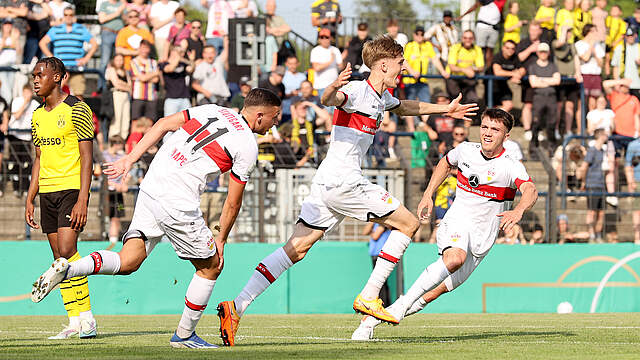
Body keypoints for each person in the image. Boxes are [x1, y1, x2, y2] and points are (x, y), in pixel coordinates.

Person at [216, 35, 478, 347]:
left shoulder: (382, 97)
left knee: (296, 249)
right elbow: (330, 99)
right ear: (383, 65)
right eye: (400, 62)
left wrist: (443, 109)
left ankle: (238, 307)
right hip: (344, 182)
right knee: (408, 224)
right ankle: (370, 295)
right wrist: (329, 88)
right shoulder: (357, 90)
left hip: (327, 182)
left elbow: (405, 107)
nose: (405, 67)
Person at [30, 88, 283, 348]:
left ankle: (69, 269)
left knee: (129, 260)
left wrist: (129, 159)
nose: (276, 123)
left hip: (152, 185)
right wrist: (221, 238)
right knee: (211, 265)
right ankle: (184, 335)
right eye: (275, 117)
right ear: (260, 115)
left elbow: (162, 124)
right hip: (177, 198)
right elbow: (233, 201)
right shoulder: (248, 145)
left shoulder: (212, 110)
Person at [351, 108, 537, 341]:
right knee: (454, 258)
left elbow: (530, 190)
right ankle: (401, 306)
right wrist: (428, 194)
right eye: (485, 127)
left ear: (506, 136)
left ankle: (371, 321)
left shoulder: (511, 165)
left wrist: (519, 209)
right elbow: (445, 164)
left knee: (433, 293)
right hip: (457, 221)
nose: (488, 133)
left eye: (495, 129)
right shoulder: (466, 150)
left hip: (481, 240)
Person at [26, 57, 97, 339]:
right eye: (34, 75)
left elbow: (87, 158)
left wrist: (83, 199)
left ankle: (88, 317)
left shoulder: (77, 108)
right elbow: (38, 158)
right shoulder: (36, 115)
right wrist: (30, 197)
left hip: (70, 189)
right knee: (59, 259)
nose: (35, 79)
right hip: (47, 191)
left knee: (67, 252)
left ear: (57, 78)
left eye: (40, 74)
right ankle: (75, 321)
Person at [39, 7, 98, 98]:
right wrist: (52, 58)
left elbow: (94, 44)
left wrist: (86, 58)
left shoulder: (81, 29)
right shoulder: (56, 29)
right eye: (66, 15)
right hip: (60, 68)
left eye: (71, 15)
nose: (68, 17)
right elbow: (42, 43)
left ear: (74, 16)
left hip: (76, 67)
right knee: (54, 94)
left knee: (79, 96)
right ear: (63, 16)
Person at [403, 25, 449, 132]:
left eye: (421, 34)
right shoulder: (409, 45)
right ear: (414, 35)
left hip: (422, 81)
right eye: (417, 34)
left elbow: (434, 59)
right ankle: (411, 132)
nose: (419, 36)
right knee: (409, 105)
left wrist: (443, 71)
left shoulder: (427, 45)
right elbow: (404, 60)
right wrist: (412, 72)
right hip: (410, 81)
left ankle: (427, 129)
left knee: (425, 105)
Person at [517, 21, 549, 142]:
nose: (534, 32)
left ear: (540, 31)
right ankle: (527, 129)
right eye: (532, 29)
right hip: (527, 79)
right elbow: (519, 58)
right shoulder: (523, 43)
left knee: (541, 106)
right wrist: (531, 49)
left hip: (542, 78)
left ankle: (539, 129)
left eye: (536, 30)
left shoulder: (544, 44)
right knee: (528, 104)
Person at [528, 42, 561, 150]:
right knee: (536, 122)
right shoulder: (533, 66)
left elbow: (557, 81)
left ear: (548, 53)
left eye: (545, 52)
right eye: (541, 51)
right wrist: (549, 80)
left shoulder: (553, 66)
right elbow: (533, 83)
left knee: (551, 123)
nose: (543, 54)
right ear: (537, 53)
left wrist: (541, 79)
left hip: (551, 97)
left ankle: (552, 146)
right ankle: (533, 147)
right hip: (539, 97)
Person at [577, 128, 608, 242]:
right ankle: (592, 235)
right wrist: (584, 181)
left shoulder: (602, 151)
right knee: (592, 211)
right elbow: (584, 166)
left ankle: (598, 234)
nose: (607, 136)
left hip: (601, 185)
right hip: (592, 184)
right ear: (600, 136)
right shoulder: (592, 151)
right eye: (605, 134)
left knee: (601, 212)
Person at [7, 84, 37, 196]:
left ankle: (25, 188)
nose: (27, 95)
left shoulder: (35, 104)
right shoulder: (17, 101)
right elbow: (17, 116)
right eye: (25, 92)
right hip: (15, 135)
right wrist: (25, 102)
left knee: (26, 163)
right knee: (14, 162)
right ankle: (16, 188)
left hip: (26, 137)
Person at [553, 24, 583, 137]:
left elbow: (576, 59)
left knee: (570, 106)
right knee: (559, 106)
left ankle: (568, 130)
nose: (568, 34)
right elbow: (560, 43)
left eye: (570, 32)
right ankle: (556, 129)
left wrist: (578, 72)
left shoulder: (572, 46)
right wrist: (564, 28)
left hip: (571, 79)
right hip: (560, 79)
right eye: (566, 32)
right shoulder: (555, 43)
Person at [457, 0, 507, 66]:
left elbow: (500, 12)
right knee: (480, 49)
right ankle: (479, 67)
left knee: (490, 50)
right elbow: (475, 6)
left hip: (494, 27)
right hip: (482, 26)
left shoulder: (501, 2)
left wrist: (503, 21)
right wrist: (462, 16)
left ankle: (488, 71)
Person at [101, 135, 130, 244]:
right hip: (107, 193)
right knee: (106, 216)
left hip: (119, 194)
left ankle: (113, 240)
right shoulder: (103, 156)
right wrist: (113, 184)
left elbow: (127, 173)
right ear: (116, 144)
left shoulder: (121, 157)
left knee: (118, 215)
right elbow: (101, 176)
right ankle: (106, 238)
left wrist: (123, 184)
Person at [446, 30, 484, 109]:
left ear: (473, 39)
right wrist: (465, 70)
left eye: (470, 38)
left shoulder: (477, 49)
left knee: (472, 101)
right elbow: (452, 67)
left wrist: (472, 69)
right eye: (465, 38)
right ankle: (455, 120)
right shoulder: (455, 47)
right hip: (454, 78)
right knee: (455, 100)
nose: (467, 40)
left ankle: (468, 121)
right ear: (462, 38)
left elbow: (481, 67)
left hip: (468, 79)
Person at [98, 0, 126, 89]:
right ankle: (101, 87)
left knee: (118, 61)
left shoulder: (121, 4)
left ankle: (116, 84)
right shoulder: (105, 4)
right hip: (108, 32)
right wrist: (118, 12)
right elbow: (102, 19)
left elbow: (126, 20)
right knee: (105, 61)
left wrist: (123, 13)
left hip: (120, 34)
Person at [575, 25, 605, 112]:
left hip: (595, 75)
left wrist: (595, 52)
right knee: (582, 102)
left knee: (593, 103)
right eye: (594, 31)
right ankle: (581, 125)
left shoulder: (598, 46)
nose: (596, 34)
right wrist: (591, 46)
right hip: (584, 75)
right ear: (588, 32)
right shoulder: (579, 44)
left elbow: (600, 63)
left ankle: (591, 123)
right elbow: (585, 58)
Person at [491, 40, 525, 113]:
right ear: (503, 48)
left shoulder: (515, 57)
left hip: (503, 84)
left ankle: (494, 117)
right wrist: (513, 74)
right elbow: (497, 72)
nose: (510, 50)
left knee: (509, 105)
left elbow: (522, 69)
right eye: (507, 48)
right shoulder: (498, 56)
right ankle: (492, 118)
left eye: (512, 48)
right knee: (491, 107)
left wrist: (518, 75)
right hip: (491, 84)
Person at [160, 45, 195, 116]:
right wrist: (178, 57)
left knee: (188, 124)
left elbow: (191, 69)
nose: (181, 54)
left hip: (184, 98)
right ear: (172, 52)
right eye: (178, 51)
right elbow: (170, 69)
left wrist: (191, 60)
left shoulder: (182, 64)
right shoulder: (163, 64)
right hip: (171, 99)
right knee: (169, 125)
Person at [130, 40, 160, 121]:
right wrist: (154, 73)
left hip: (151, 96)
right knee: (135, 122)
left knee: (150, 122)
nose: (144, 50)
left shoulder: (153, 62)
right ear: (139, 48)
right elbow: (144, 78)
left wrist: (144, 77)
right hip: (138, 96)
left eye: (146, 48)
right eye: (143, 48)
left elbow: (156, 80)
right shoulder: (134, 62)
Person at [362, 222, 392, 305]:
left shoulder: (383, 224)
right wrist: (371, 223)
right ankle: (383, 304)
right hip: (375, 254)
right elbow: (364, 232)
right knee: (379, 281)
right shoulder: (375, 223)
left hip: (381, 254)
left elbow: (375, 236)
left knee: (380, 282)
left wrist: (371, 231)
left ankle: (384, 304)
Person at [105, 53, 131, 140]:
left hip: (125, 95)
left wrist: (121, 83)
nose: (120, 62)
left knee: (125, 119)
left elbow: (130, 86)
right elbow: (116, 84)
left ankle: (122, 141)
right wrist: (124, 85)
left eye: (121, 60)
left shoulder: (125, 71)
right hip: (116, 94)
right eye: (118, 60)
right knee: (117, 119)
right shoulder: (111, 69)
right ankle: (114, 141)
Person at [310, 28, 342, 97]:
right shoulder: (315, 51)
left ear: (330, 38)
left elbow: (341, 66)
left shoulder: (335, 50)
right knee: (325, 108)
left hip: (334, 86)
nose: (324, 39)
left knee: (334, 107)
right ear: (319, 39)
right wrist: (330, 61)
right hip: (322, 86)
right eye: (322, 37)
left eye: (326, 37)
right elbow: (317, 68)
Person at [611, 28, 640, 100]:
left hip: (637, 84)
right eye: (628, 36)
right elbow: (615, 67)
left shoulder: (638, 47)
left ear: (635, 35)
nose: (630, 38)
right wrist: (616, 82)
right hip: (623, 84)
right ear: (625, 36)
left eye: (632, 35)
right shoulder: (619, 48)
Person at [624, 137, 640, 244]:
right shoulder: (633, 145)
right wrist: (630, 182)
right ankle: (637, 237)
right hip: (638, 182)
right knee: (637, 211)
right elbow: (628, 165)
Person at [0, 19, 18, 104]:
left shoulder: (14, 36)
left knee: (12, 91)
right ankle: (5, 113)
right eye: (6, 24)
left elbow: (19, 50)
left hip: (12, 67)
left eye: (10, 24)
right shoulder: (1, 37)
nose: (8, 26)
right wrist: (4, 40)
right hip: (2, 67)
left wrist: (14, 40)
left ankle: (7, 112)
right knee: (6, 93)